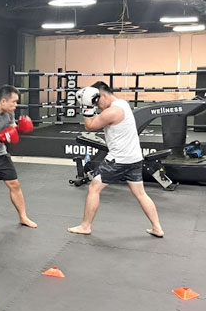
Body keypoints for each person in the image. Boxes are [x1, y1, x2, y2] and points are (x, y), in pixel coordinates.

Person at [67, 82, 164, 238]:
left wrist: (87, 107)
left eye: (97, 101)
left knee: (94, 188)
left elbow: (89, 126)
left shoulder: (113, 111)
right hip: (134, 158)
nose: (97, 106)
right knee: (141, 194)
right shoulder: (122, 104)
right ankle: (157, 228)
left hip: (118, 160)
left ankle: (85, 226)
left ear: (103, 95)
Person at [0, 85, 37, 228]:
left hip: (1, 154)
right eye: (14, 102)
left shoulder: (9, 112)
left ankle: (23, 217)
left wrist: (20, 128)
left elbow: (11, 128)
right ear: (3, 101)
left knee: (14, 184)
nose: (16, 105)